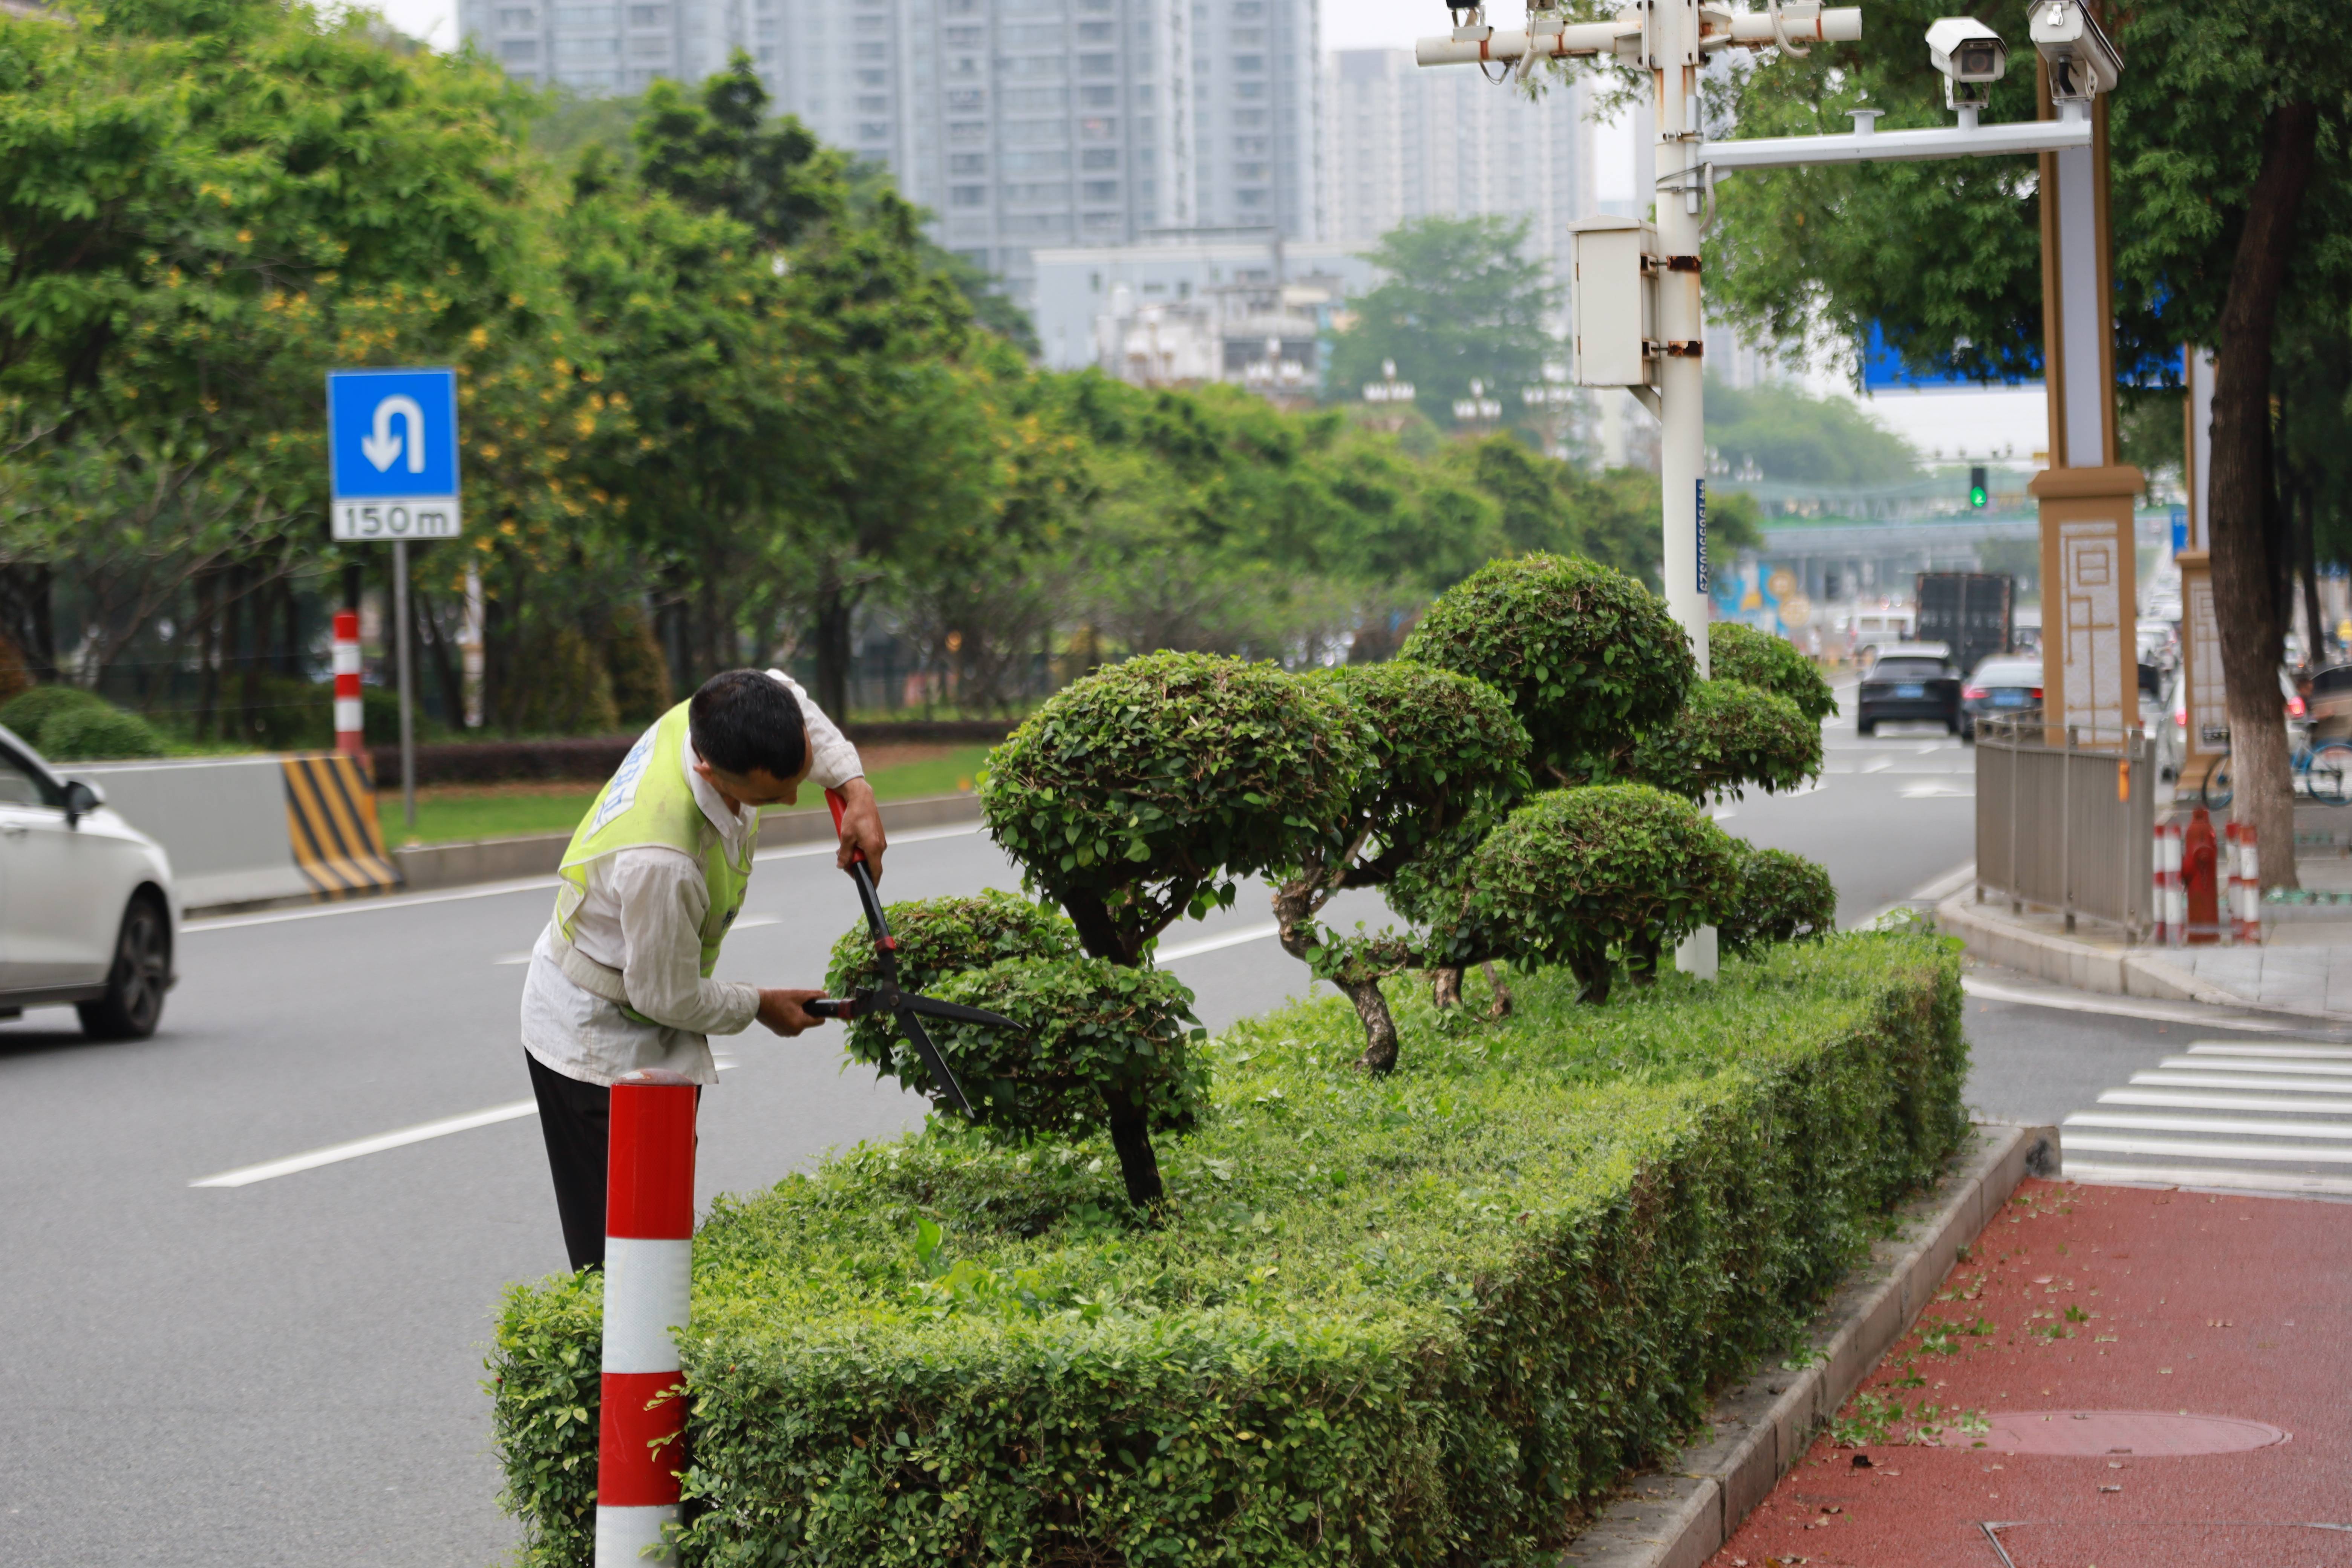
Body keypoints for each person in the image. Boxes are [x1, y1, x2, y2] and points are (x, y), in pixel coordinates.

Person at [518, 668, 886, 1270]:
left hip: (651, 1008)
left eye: (801, 777)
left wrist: (858, 792)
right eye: (772, 795)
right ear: (711, 771)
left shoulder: (727, 707)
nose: (793, 799)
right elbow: (665, 996)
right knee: (618, 1260)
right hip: (595, 1039)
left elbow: (784, 688)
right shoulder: (662, 861)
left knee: (664, 1232)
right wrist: (760, 1005)